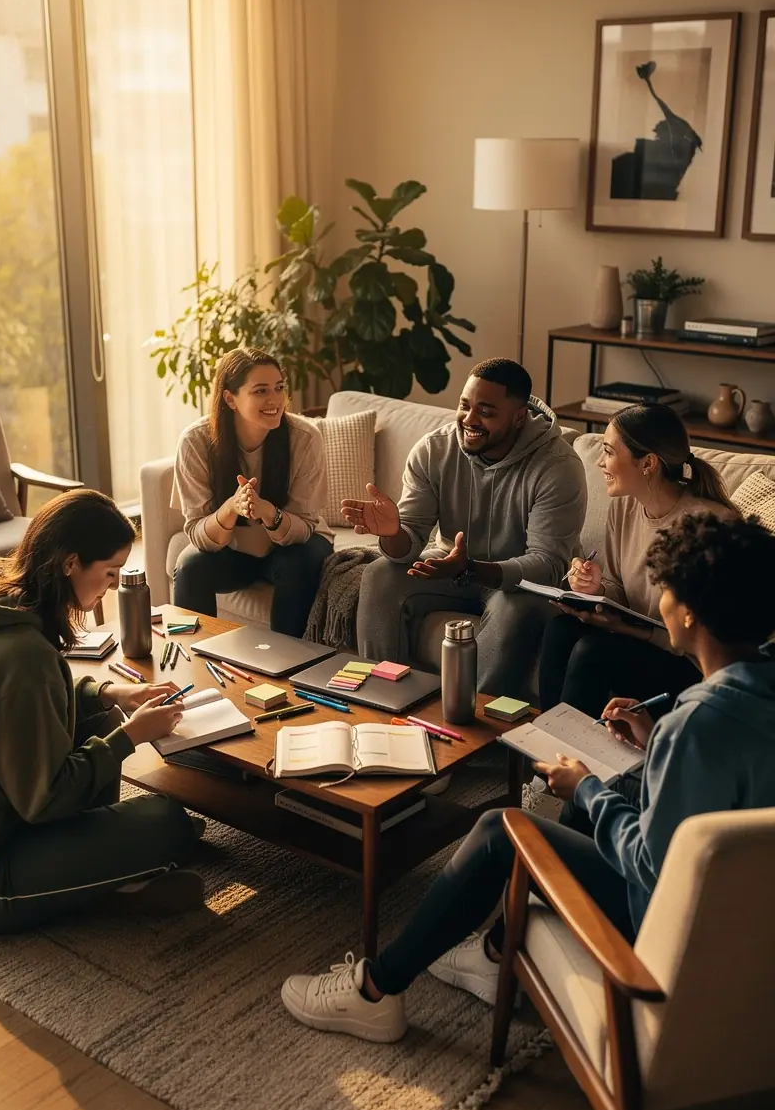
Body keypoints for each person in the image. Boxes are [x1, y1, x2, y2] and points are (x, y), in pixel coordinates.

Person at [280, 512, 775, 1042]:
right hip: (742, 920)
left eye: (667, 592)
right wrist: (653, 743)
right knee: (600, 786)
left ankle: (375, 991)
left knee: (502, 830)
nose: (662, 603)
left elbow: (650, 866)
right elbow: (718, 792)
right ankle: (498, 949)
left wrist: (585, 786)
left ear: (692, 614)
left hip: (667, 925)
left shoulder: (696, 725)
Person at [0, 489, 203, 937]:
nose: (113, 586)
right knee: (169, 823)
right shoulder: (20, 655)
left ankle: (93, 879)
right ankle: (102, 890)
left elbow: (23, 707)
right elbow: (43, 799)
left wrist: (108, 692)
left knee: (98, 718)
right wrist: (131, 737)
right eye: (109, 573)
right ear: (70, 562)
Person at [349, 359, 587, 699]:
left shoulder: (557, 467)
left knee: (515, 608)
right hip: (450, 565)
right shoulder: (434, 449)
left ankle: (469, 726)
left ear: (519, 417)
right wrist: (392, 533)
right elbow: (411, 541)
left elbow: (548, 565)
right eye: (464, 406)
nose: (469, 419)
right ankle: (383, 701)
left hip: (520, 585)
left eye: (486, 412)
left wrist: (474, 569)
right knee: (381, 574)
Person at [539, 404, 736, 718]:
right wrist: (594, 590)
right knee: (561, 629)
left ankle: (572, 758)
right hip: (638, 642)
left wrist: (628, 629)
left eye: (608, 452)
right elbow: (618, 587)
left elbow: (711, 638)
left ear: (648, 463)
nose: (600, 463)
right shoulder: (624, 507)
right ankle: (547, 745)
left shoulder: (711, 527)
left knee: (594, 653)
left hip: (688, 663)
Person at [172, 348, 333, 637]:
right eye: (260, 391)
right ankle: (190, 659)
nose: (274, 400)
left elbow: (307, 526)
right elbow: (196, 531)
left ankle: (287, 665)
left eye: (279, 388)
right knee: (189, 566)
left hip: (293, 547)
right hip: (232, 551)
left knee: (302, 560)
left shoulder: (305, 438)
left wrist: (269, 513)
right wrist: (231, 509)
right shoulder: (195, 442)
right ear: (230, 398)